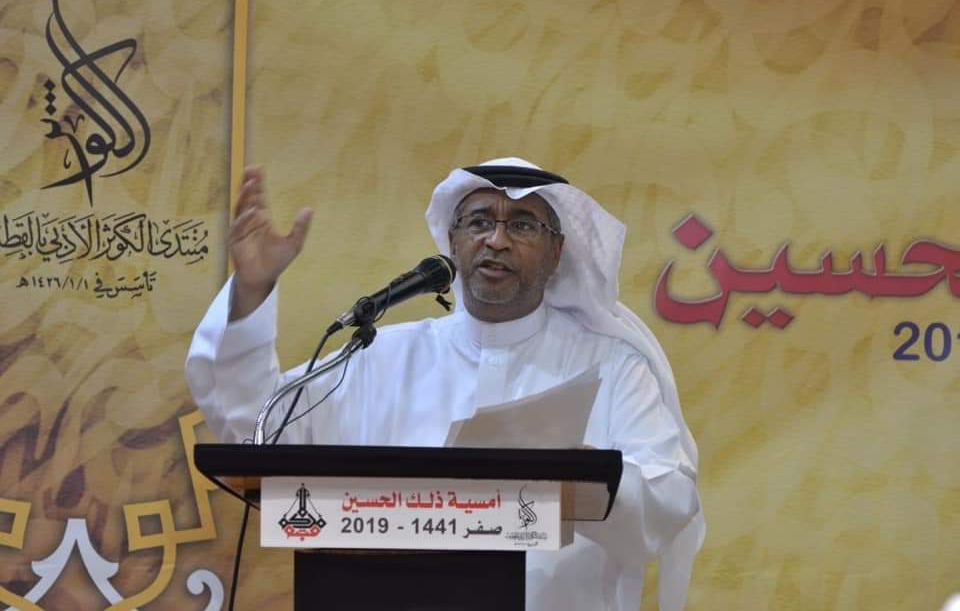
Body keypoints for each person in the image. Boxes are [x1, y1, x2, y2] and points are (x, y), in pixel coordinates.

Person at [186, 157, 704, 611]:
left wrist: (577, 473)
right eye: (479, 221)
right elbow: (257, 426)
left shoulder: (612, 365)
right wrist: (253, 291)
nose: (496, 240)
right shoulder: (379, 357)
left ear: (556, 252)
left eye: (522, 225)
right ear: (452, 242)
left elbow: (669, 499)